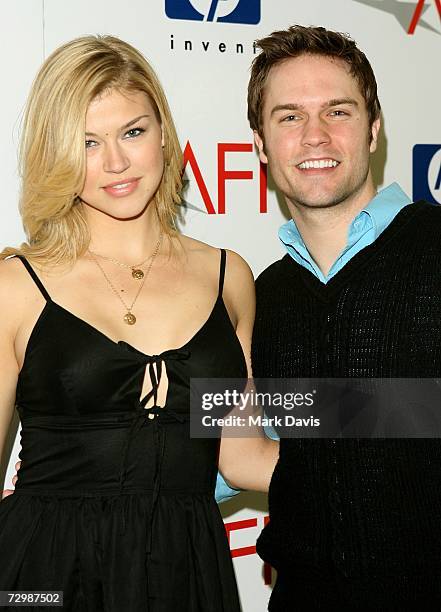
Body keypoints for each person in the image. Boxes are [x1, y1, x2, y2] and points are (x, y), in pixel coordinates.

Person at [0, 35, 278, 611]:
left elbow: (242, 453)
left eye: (133, 131)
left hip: (188, 570)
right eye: (87, 142)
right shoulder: (16, 286)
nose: (116, 162)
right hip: (44, 576)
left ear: (163, 133)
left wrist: (402, 423)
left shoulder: (227, 277)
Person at [247, 25, 441, 610]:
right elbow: (236, 445)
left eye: (338, 110)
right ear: (259, 143)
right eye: (287, 117)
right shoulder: (262, 295)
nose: (315, 136)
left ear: (374, 128)